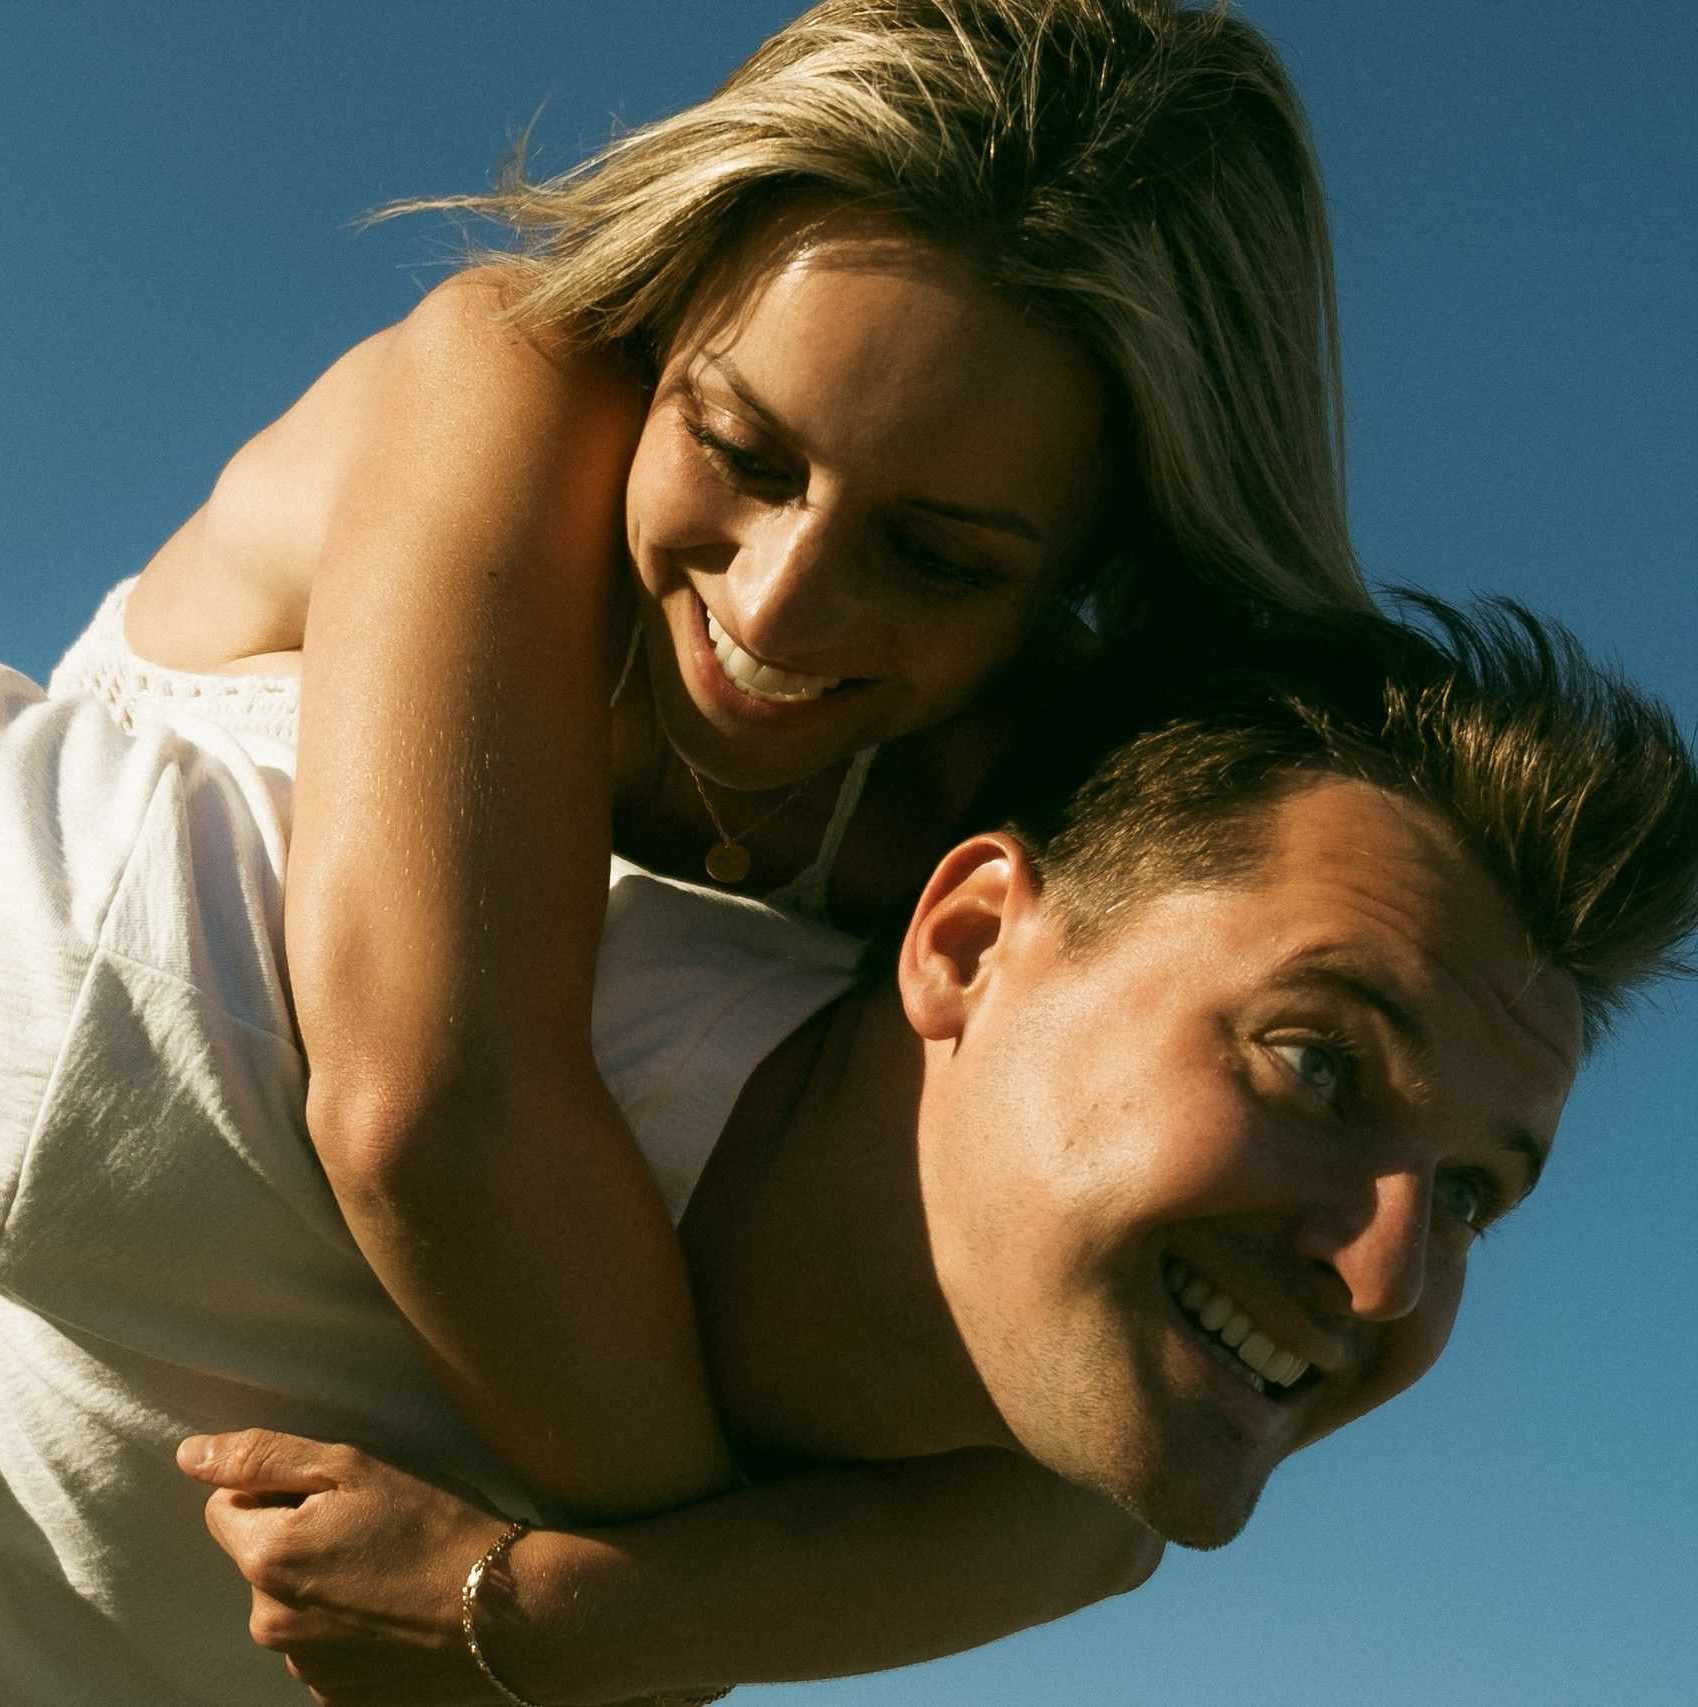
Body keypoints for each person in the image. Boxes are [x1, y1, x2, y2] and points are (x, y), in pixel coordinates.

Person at [0, 591, 1690, 1706]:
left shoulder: (1041, 1470)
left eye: (1476, 1189)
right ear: (964, 938)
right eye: (1317, 1066)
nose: (1384, 1273)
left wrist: (527, 1615)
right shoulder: (215, 1010)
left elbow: (1080, 1546)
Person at [119, 0, 1367, 1523]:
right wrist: (638, 1618)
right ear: (675, 298)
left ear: (1093, 576)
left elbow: (1090, 1498)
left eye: (938, 559)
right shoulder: (503, 385)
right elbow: (433, 1118)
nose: (778, 606)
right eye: (739, 449)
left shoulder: (1016, 778)